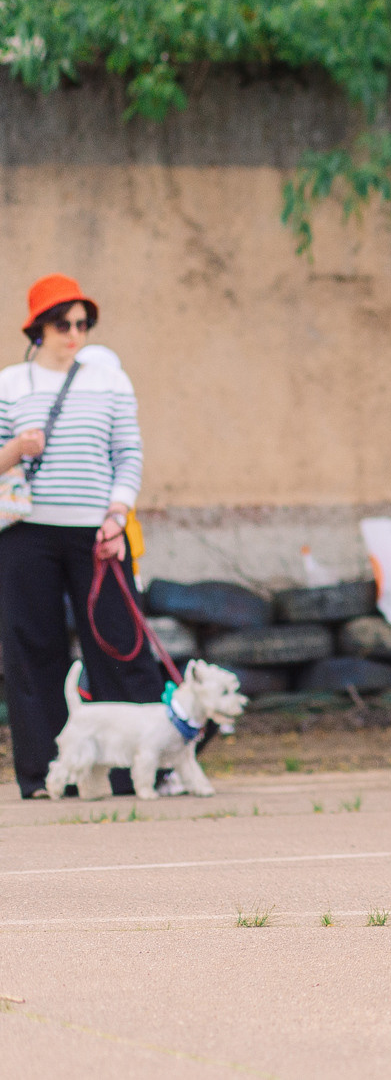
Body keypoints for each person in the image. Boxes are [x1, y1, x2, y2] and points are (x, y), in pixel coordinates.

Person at [0, 275, 158, 799]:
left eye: (82, 323)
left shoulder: (110, 382)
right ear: (38, 328)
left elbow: (128, 454)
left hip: (98, 532)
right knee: (32, 650)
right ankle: (46, 775)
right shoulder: (10, 384)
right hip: (26, 533)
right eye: (62, 323)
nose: (74, 333)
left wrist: (117, 515)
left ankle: (135, 771)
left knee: (118, 645)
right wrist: (16, 449)